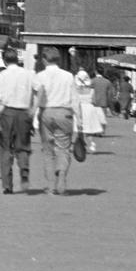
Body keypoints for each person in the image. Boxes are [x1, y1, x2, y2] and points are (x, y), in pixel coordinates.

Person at [30, 48, 78, 195]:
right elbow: (75, 100)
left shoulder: (39, 76)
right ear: (58, 60)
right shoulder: (68, 76)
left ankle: (51, 186)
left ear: (44, 60)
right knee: (63, 148)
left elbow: (36, 98)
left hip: (46, 112)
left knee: (48, 150)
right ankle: (62, 175)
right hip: (64, 113)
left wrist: (32, 117)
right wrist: (79, 121)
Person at [0, 48, 34, 194]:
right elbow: (36, 92)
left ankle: (7, 185)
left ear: (4, 60)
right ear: (18, 59)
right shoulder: (28, 74)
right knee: (23, 146)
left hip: (7, 113)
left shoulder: (1, 76)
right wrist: (32, 112)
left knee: (5, 149)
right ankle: (24, 169)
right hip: (23, 113)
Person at [74, 69, 104, 152]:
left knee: (80, 128)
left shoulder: (76, 90)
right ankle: (92, 143)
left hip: (79, 108)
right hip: (90, 109)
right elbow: (94, 101)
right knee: (89, 129)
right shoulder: (91, 90)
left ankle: (82, 144)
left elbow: (74, 101)